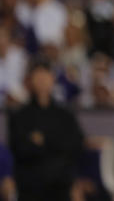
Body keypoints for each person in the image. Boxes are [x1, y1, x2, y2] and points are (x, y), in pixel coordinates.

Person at [8, 61, 84, 201]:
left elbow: (75, 145)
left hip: (61, 187)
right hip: (30, 188)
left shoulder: (65, 115)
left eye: (46, 75)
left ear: (53, 78)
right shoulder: (19, 116)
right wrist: (54, 141)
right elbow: (20, 149)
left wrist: (42, 139)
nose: (42, 81)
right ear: (30, 80)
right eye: (38, 76)